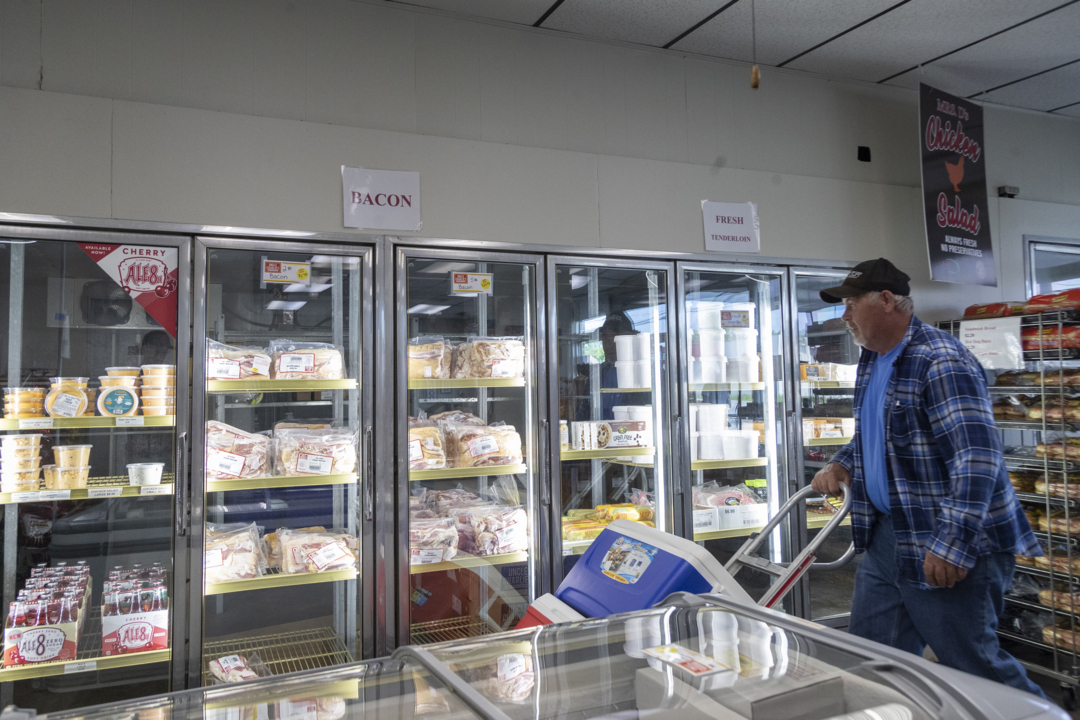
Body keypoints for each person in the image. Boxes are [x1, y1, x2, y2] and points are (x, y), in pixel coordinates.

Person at [811, 258, 1046, 698]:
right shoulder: (874, 359)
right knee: (873, 657)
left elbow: (977, 458)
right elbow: (875, 435)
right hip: (888, 538)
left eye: (849, 304)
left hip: (949, 541)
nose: (843, 316)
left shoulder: (941, 360)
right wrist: (844, 461)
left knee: (973, 664)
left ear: (885, 301)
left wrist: (952, 543)